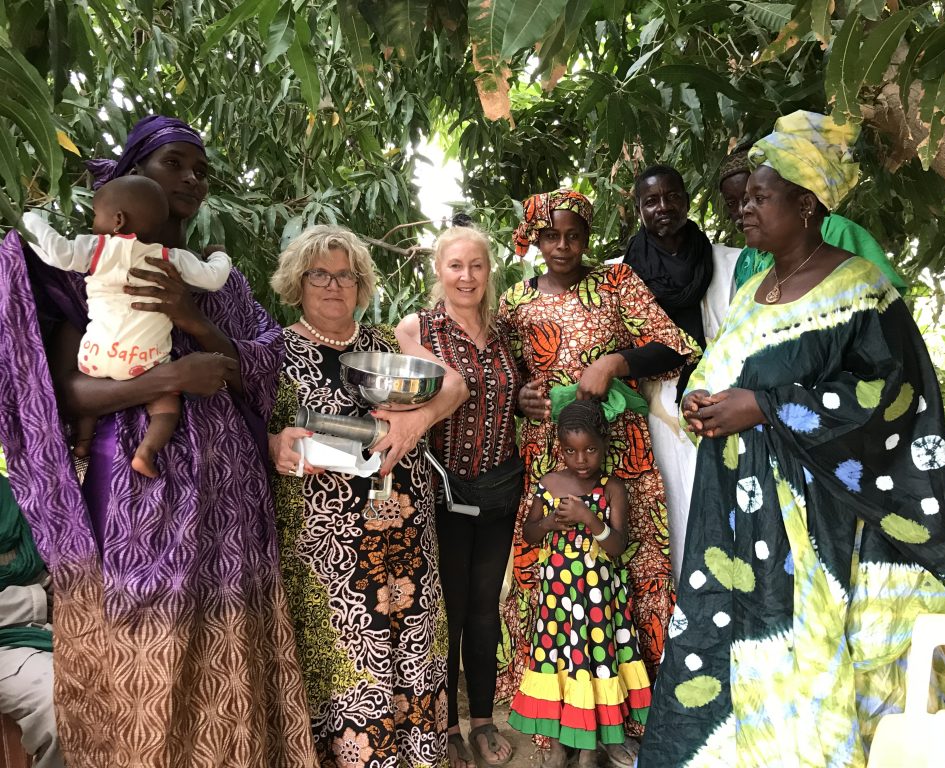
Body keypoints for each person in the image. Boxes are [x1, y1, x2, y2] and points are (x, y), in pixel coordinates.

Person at [640, 111, 945, 767]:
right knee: (732, 666)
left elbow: (892, 398)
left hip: (825, 537)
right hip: (739, 532)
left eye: (761, 196)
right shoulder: (759, 289)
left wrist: (764, 407)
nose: (744, 209)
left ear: (806, 203)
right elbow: (725, 366)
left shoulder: (861, 292)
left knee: (820, 675)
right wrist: (703, 400)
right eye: (744, 198)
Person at [0, 115, 317, 767]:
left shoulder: (219, 282)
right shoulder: (92, 270)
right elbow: (65, 392)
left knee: (229, 657)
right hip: (138, 498)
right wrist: (170, 377)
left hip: (231, 506)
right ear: (135, 171)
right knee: (149, 654)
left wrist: (190, 320)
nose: (192, 179)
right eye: (175, 163)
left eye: (201, 170)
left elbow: (260, 363)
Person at [497, 189, 700, 766]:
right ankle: (562, 720)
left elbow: (675, 347)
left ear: (588, 236)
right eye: (551, 236)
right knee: (555, 587)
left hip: (619, 458)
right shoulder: (513, 302)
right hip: (548, 458)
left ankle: (629, 720)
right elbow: (500, 375)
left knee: (631, 575)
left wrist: (615, 362)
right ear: (533, 239)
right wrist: (520, 396)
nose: (563, 246)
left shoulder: (617, 284)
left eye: (574, 235)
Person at [267, 224, 467, 767]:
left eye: (346, 275)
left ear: (361, 284)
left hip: (402, 528)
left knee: (411, 638)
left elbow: (455, 385)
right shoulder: (275, 351)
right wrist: (273, 443)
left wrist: (416, 422)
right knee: (349, 651)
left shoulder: (385, 340)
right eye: (320, 275)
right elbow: (244, 431)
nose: (334, 286)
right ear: (297, 283)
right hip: (328, 543)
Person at [394, 226, 523, 768]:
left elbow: (515, 399)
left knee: (484, 608)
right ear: (438, 271)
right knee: (447, 611)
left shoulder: (505, 329)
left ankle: (483, 720)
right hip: (443, 491)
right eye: (455, 266)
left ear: (490, 271)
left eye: (477, 266)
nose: (466, 277)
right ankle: (446, 724)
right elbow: (417, 397)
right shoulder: (416, 328)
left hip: (500, 487)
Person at [21, 175, 232, 477]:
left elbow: (56, 250)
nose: (94, 222)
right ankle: (146, 451)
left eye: (96, 215)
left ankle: (82, 442)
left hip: (94, 357)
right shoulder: (169, 258)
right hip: (144, 362)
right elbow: (214, 278)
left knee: (91, 393)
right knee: (165, 407)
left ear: (117, 220)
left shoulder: (96, 249)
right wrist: (219, 254)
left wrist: (25, 216)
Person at [509, 399, 651, 768]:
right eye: (571, 451)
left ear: (604, 445)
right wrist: (550, 524)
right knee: (562, 668)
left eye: (590, 449)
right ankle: (559, 745)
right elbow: (528, 533)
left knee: (595, 666)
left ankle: (590, 749)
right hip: (558, 601)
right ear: (560, 449)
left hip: (598, 603)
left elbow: (617, 546)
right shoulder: (549, 484)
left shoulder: (612, 488)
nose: (582, 459)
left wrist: (589, 518)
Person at [621, 164, 739, 580]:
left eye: (671, 197)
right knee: (669, 511)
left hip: (720, 406)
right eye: (651, 200)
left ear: (687, 202)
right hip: (654, 408)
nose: (663, 207)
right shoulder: (621, 273)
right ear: (639, 210)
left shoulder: (728, 263)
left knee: (724, 514)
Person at [718, 133, 908, 294]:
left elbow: (886, 302)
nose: (744, 210)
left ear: (804, 203)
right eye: (732, 203)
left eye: (756, 198)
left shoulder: (837, 231)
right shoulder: (746, 259)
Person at [0, 449, 64, 768]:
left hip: (49, 628)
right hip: (7, 644)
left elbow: (44, 566)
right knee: (61, 704)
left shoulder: (13, 492)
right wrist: (34, 600)